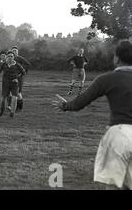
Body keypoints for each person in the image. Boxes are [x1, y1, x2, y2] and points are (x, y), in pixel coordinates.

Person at [52, 40, 132, 190]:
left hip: (119, 135)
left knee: (113, 185)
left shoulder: (107, 79)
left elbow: (81, 101)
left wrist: (65, 106)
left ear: (116, 58)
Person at [0, 50, 26, 118]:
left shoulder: (17, 65)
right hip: (5, 84)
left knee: (14, 98)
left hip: (14, 84)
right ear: (6, 57)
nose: (10, 58)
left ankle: (12, 113)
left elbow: (23, 72)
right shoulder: (4, 64)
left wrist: (17, 78)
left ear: (13, 57)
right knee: (3, 99)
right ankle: (1, 111)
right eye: (8, 56)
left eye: (11, 56)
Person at [11, 46, 31, 111]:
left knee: (18, 92)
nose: (14, 52)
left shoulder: (20, 58)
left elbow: (28, 64)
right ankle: (16, 106)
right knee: (13, 93)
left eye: (15, 51)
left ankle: (20, 106)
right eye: (13, 51)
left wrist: (23, 73)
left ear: (17, 52)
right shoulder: (11, 59)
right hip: (12, 78)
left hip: (19, 78)